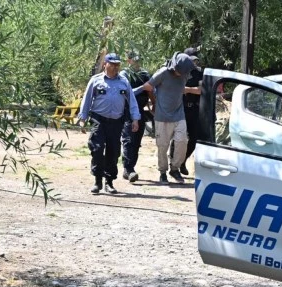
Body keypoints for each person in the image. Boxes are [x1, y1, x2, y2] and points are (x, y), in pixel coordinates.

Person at [77, 53, 140, 194]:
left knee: (113, 151)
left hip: (117, 122)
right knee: (97, 149)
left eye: (117, 64)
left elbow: (132, 102)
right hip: (98, 120)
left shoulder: (123, 81)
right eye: (112, 64)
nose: (115, 67)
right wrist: (82, 119)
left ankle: (109, 182)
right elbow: (87, 100)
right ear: (105, 64)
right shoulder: (95, 80)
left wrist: (135, 119)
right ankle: (97, 181)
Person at [135, 52, 195, 184]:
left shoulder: (186, 73)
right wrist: (152, 101)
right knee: (162, 146)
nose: (180, 74)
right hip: (162, 116)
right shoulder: (163, 73)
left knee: (182, 142)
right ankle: (163, 172)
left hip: (179, 114)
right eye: (178, 71)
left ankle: (175, 169)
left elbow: (181, 87)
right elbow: (148, 86)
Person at [119, 51, 155, 183]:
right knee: (128, 139)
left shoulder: (144, 74)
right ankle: (128, 169)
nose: (137, 62)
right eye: (134, 60)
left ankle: (130, 167)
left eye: (139, 60)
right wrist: (142, 87)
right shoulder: (124, 75)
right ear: (128, 61)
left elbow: (150, 90)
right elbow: (127, 93)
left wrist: (154, 104)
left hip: (140, 110)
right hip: (126, 111)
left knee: (137, 141)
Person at [170, 48, 202, 175]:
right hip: (180, 108)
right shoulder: (178, 71)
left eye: (196, 60)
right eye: (192, 60)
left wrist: (187, 89)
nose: (194, 63)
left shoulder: (199, 73)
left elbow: (200, 90)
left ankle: (182, 162)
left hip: (194, 108)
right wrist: (191, 89)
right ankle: (173, 164)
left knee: (194, 139)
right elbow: (176, 89)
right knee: (178, 137)